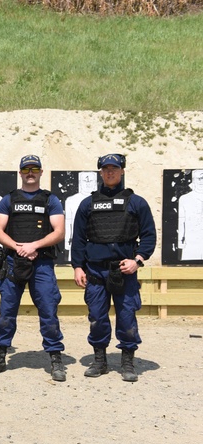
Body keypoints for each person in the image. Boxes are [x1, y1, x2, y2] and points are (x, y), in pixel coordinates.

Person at [71, 154, 156, 382]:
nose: (110, 172)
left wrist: (137, 261)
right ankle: (100, 361)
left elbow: (149, 236)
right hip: (96, 271)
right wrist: (78, 268)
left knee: (127, 318)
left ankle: (127, 362)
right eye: (106, 169)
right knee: (97, 318)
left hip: (124, 271)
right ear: (100, 172)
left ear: (122, 171)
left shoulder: (137, 202)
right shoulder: (87, 204)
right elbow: (78, 239)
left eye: (114, 169)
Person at [0, 155, 67, 381]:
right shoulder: (9, 199)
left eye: (35, 169)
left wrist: (34, 245)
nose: (30, 173)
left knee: (48, 311)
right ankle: (0, 354)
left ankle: (55, 358)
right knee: (7, 311)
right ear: (20, 173)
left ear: (42, 172)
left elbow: (58, 231)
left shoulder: (50, 199)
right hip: (14, 261)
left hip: (41, 262)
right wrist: (19, 247)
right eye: (26, 169)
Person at [65, 171, 97, 262]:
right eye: (85, 181)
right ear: (80, 182)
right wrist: (67, 245)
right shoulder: (71, 200)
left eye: (90, 181)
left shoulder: (100, 199)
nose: (88, 183)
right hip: (76, 244)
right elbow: (68, 223)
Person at [177, 169, 203, 261]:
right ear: (194, 180)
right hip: (191, 241)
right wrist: (180, 240)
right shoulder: (185, 199)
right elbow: (181, 221)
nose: (201, 181)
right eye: (199, 178)